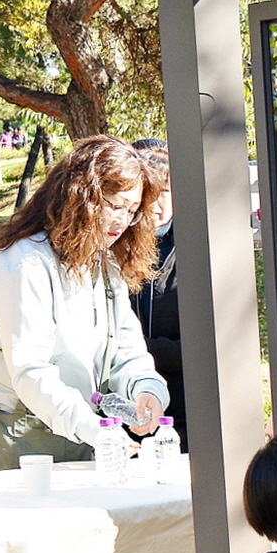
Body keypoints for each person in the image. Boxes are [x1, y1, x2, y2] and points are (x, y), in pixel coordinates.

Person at [0, 135, 169, 553]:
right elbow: (30, 372)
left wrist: (146, 391)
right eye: (113, 204)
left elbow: (126, 348)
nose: (121, 220)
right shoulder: (22, 262)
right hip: (22, 436)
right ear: (80, 195)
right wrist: (102, 430)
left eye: (132, 211)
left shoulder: (102, 263)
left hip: (83, 430)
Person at [128, 138, 187, 449]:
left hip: (188, 410)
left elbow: (203, 347)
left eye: (165, 191)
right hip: (127, 407)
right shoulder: (112, 248)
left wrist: (136, 349)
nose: (157, 203)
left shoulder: (195, 246)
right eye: (148, 192)